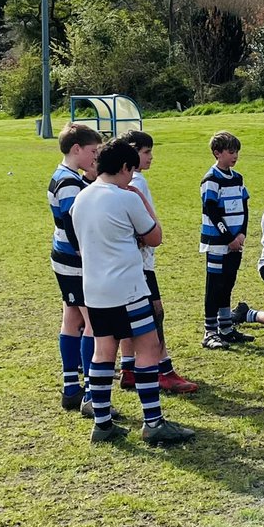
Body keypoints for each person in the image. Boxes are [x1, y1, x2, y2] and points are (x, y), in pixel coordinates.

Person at [71, 137, 195, 446]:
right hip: (128, 288)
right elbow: (154, 237)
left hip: (95, 289)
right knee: (148, 347)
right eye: (132, 171)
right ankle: (152, 422)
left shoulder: (81, 199)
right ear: (126, 167)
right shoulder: (126, 197)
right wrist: (139, 197)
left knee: (103, 352)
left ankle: (102, 424)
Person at [117, 129, 198, 394]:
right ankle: (164, 371)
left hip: (127, 264)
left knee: (130, 316)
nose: (151, 157)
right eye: (146, 152)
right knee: (154, 314)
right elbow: (143, 229)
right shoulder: (136, 182)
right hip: (140, 263)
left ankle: (128, 368)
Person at [47, 121, 102, 412]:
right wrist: (85, 252)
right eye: (92, 151)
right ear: (76, 149)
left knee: (71, 318)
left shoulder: (64, 175)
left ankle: (71, 388)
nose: (95, 156)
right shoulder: (69, 181)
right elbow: (72, 221)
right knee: (93, 323)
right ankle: (92, 394)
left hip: (62, 258)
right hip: (75, 261)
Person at [199, 131, 252, 348]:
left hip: (235, 242)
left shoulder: (237, 178)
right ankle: (210, 332)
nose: (235, 155)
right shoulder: (211, 180)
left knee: (228, 283)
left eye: (237, 151)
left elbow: (245, 207)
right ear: (217, 153)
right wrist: (228, 237)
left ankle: (226, 328)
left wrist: (241, 234)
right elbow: (211, 211)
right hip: (218, 244)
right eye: (231, 151)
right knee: (215, 287)